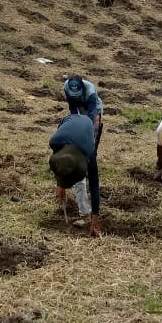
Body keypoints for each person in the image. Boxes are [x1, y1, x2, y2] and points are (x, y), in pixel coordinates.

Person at [48, 113, 101, 237]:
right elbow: (59, 161)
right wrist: (60, 184)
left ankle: (86, 213)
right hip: (68, 120)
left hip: (87, 124)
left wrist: (95, 217)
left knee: (81, 177)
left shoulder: (89, 152)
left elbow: (94, 185)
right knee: (67, 162)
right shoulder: (54, 141)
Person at [62, 75, 104, 220]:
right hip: (80, 111)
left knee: (89, 151)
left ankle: (89, 159)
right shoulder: (66, 87)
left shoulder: (91, 92)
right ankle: (84, 208)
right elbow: (73, 109)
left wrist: (85, 132)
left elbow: (92, 116)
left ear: (82, 88)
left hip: (94, 112)